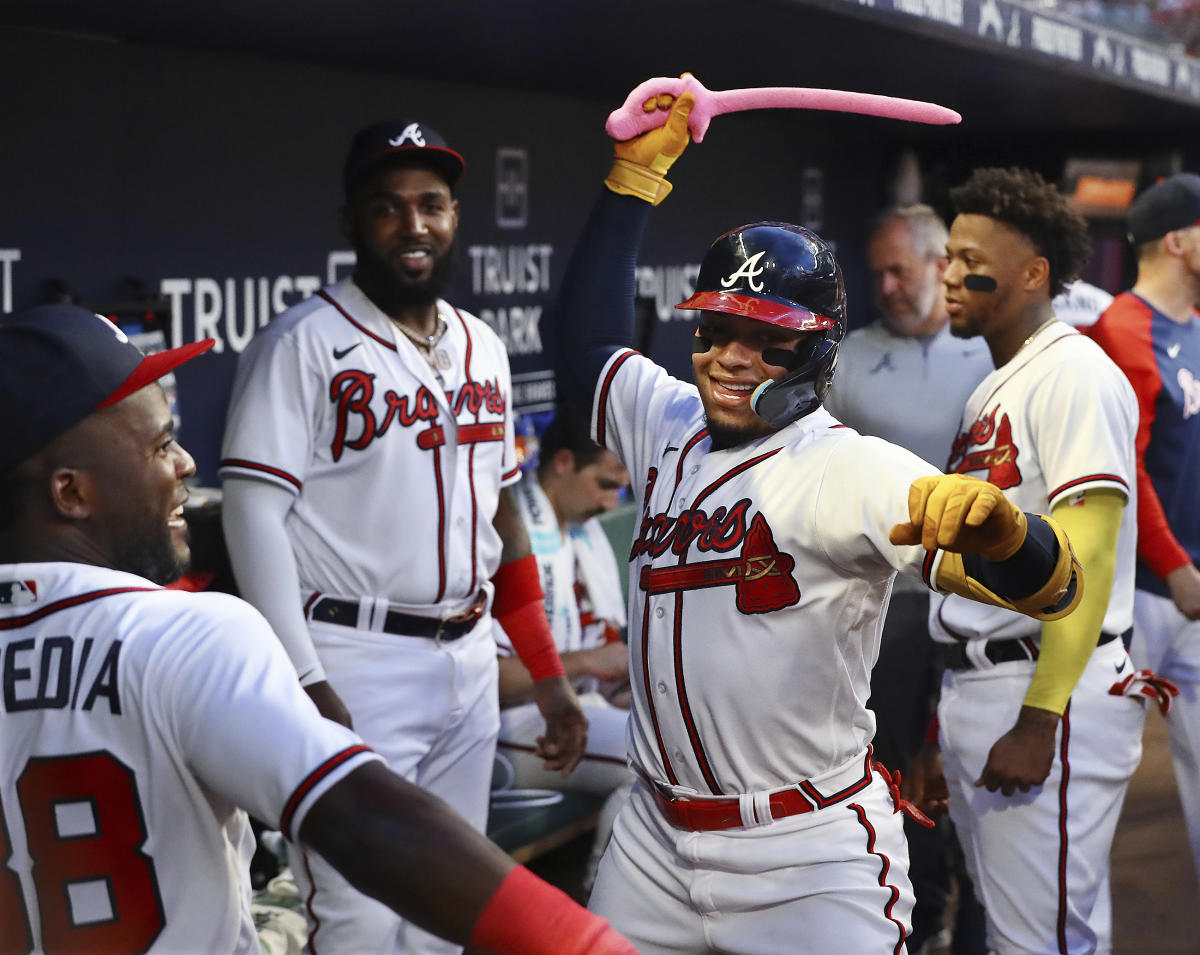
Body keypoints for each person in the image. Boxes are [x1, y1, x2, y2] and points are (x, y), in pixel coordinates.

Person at [550, 88, 1086, 954]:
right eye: (717, 327)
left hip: (804, 849)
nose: (732, 354)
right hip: (654, 837)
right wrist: (629, 182)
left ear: (819, 351)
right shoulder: (666, 420)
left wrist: (1007, 536)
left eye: (768, 338)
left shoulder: (850, 466)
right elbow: (583, 354)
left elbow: (1055, 587)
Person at [0, 305, 634, 955]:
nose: (188, 463)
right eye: (162, 445)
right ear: (71, 493)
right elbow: (363, 819)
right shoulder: (180, 635)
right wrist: (584, 943)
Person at [219, 118, 587, 954]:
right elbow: (250, 512)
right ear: (351, 222)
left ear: (455, 216)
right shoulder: (302, 343)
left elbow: (505, 517)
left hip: (465, 658)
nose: (412, 225)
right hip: (352, 653)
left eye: (431, 204)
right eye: (387, 207)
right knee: (354, 916)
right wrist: (305, 677)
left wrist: (547, 673)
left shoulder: (483, 346)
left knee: (447, 912)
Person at [907, 166, 1174, 955]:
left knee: (1041, 944)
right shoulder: (999, 385)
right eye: (946, 257)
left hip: (1044, 687)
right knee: (1030, 933)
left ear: (1033, 273)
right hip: (986, 677)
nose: (947, 275)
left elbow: (1083, 560)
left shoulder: (1075, 376)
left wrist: (1037, 719)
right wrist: (939, 721)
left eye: (966, 258)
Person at [824, 204, 993, 953]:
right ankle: (920, 922)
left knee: (977, 769)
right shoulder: (848, 357)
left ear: (938, 265)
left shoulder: (991, 352)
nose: (887, 285)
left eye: (901, 269)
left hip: (980, 601)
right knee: (897, 771)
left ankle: (983, 925)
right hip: (884, 603)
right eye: (878, 271)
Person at [1085, 171, 1200, 888]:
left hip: (1190, 587)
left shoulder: (1194, 327)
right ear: (1180, 240)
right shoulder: (1120, 329)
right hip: (1139, 593)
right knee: (1095, 782)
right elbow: (1123, 470)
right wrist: (1174, 562)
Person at [496, 412, 634, 890]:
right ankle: (604, 916)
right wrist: (588, 665)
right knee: (655, 767)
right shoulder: (506, 532)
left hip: (580, 706)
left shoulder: (581, 533)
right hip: (508, 723)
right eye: (603, 484)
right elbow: (483, 679)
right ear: (561, 463)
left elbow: (603, 645)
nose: (610, 501)